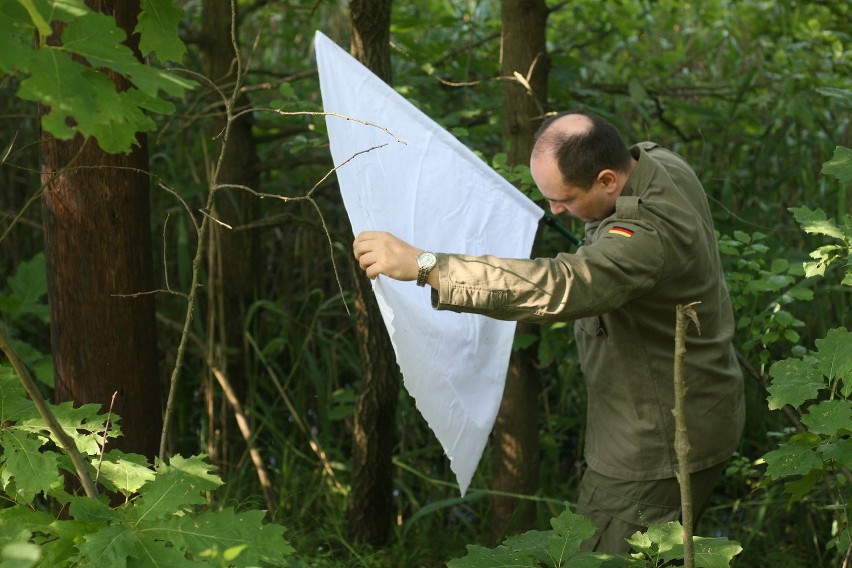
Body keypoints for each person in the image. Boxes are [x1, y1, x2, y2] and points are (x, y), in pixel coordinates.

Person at [352, 110, 744, 554]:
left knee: (593, 558)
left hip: (655, 447)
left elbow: (562, 285)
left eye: (565, 199)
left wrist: (428, 266)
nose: (554, 209)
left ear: (608, 180)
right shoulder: (658, 163)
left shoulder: (647, 239)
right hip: (704, 409)